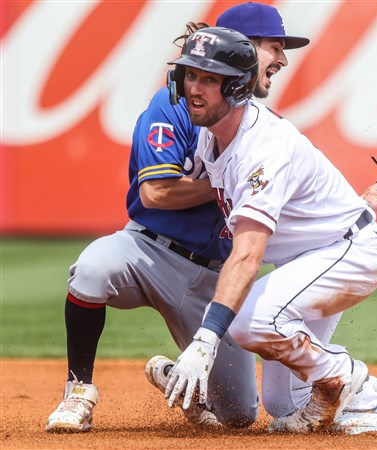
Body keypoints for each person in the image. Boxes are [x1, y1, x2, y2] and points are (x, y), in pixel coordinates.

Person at [159, 26, 377, 433]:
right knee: (284, 403)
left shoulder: (260, 148)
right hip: (313, 256)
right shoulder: (213, 139)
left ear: (238, 86)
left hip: (348, 252)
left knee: (248, 321)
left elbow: (247, 255)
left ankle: (342, 374)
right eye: (190, 74)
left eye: (209, 78)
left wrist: (206, 340)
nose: (194, 87)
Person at [45, 2, 310, 433]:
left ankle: (172, 378)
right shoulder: (177, 105)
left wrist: (371, 201)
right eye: (273, 47)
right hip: (149, 250)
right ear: (242, 48)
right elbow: (155, 192)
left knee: (239, 415)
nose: (281, 59)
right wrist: (229, 183)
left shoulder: (265, 128)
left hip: (213, 279)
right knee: (92, 268)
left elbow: (295, 205)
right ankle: (78, 392)